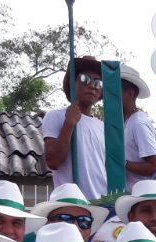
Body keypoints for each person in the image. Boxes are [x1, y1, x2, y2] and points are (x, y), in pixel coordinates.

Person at [41, 56, 108, 201]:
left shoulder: (103, 127)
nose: (92, 85)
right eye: (85, 79)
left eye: (98, 82)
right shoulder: (55, 116)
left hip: (103, 204)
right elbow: (53, 161)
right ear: (73, 83)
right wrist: (69, 123)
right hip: (72, 204)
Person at [119, 64, 156, 190]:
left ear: (130, 94)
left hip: (141, 198)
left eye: (114, 92)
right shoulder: (127, 123)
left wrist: (121, 164)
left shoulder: (138, 123)